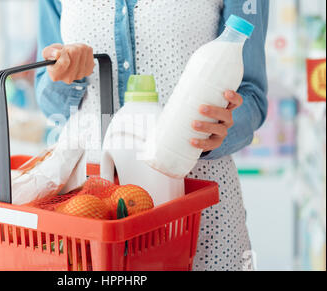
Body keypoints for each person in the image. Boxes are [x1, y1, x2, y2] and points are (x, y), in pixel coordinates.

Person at [35, 0, 269, 271]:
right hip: (91, 209)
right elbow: (48, 96)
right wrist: (66, 74)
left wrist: (220, 128)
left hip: (197, 210)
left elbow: (252, 95)